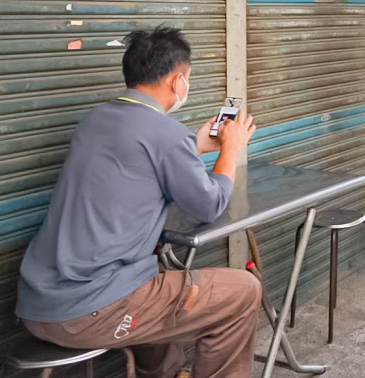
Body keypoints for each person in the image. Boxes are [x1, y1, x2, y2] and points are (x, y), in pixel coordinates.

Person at [16, 27, 261, 378]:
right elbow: (210, 204)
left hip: (37, 302)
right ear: (177, 81)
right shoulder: (165, 133)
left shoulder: (94, 120)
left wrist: (193, 146)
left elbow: (135, 162)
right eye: (188, 79)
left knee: (158, 281)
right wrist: (232, 148)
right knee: (242, 292)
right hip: (90, 310)